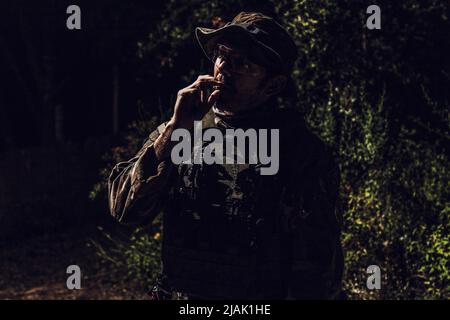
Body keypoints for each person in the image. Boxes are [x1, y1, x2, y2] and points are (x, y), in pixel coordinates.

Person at [108, 11, 344, 299]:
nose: (224, 70)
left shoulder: (300, 152)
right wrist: (174, 128)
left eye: (242, 63)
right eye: (222, 56)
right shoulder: (187, 128)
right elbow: (124, 210)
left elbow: (317, 272)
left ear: (273, 85)